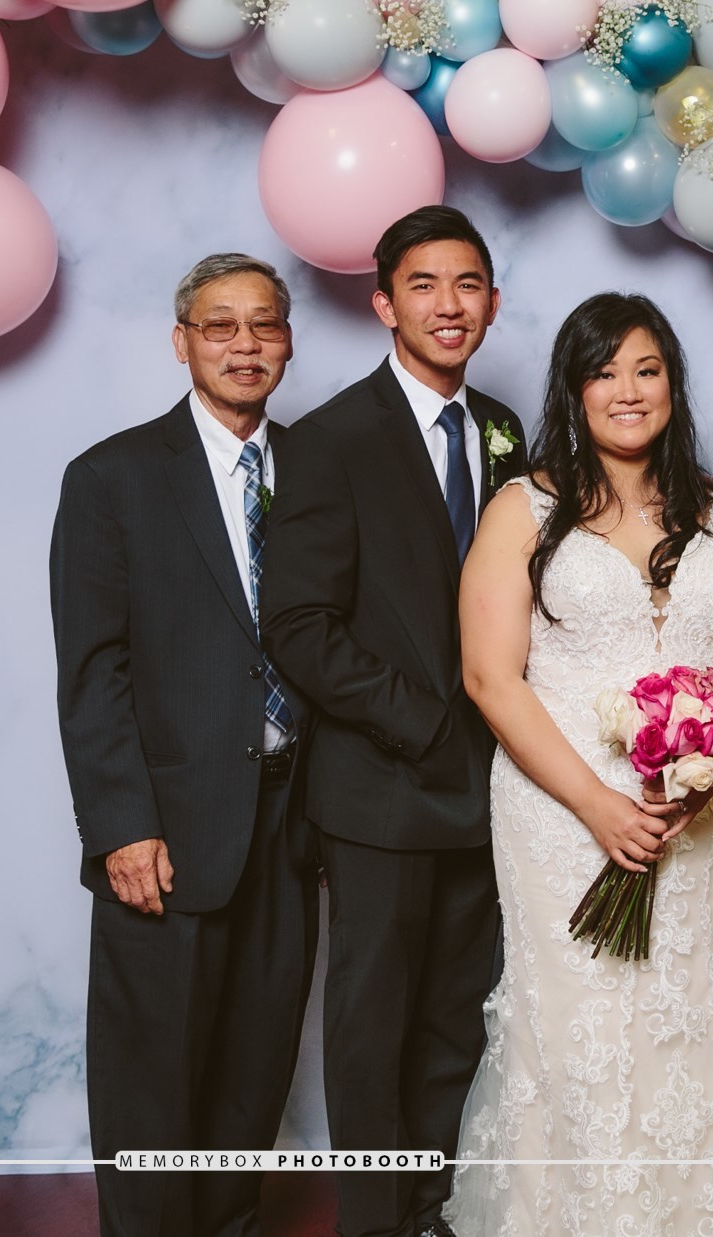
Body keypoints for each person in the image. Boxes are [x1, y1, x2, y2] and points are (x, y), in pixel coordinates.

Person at [445, 292, 713, 1234]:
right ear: (575, 388)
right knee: (582, 1015)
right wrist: (598, 802)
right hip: (561, 812)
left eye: (647, 369)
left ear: (673, 383)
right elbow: (489, 675)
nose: (628, 390)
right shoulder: (523, 508)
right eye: (605, 372)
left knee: (690, 1007)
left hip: (705, 812)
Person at [258, 207, 530, 1237]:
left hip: (493, 782)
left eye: (467, 284)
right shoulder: (331, 440)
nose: (448, 305)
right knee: (373, 1023)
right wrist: (421, 721)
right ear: (383, 304)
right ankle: (375, 1219)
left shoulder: (505, 430)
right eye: (423, 285)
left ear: (492, 302)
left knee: (460, 1012)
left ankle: (433, 1208)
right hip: (382, 784)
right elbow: (298, 624)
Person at [51, 252, 317, 1237]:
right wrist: (122, 824)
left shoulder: (320, 468)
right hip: (164, 826)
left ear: (288, 342)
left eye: (264, 324)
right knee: (152, 1075)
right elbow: (93, 669)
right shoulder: (112, 478)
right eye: (220, 326)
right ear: (182, 343)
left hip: (294, 817)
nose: (245, 345)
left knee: (255, 1062)